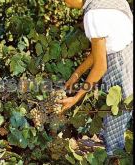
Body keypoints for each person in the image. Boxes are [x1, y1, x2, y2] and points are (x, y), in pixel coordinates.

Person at [58, 0, 133, 158]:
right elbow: (104, 47)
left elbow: (100, 66)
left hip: (119, 69)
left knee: (115, 138)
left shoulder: (93, 15)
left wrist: (76, 98)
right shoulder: (111, 2)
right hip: (130, 59)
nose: (67, 5)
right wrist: (77, 74)